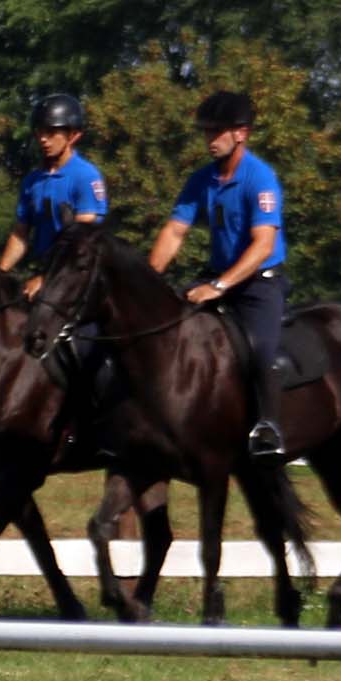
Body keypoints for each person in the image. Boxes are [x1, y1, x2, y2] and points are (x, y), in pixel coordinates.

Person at [147, 89, 290, 460]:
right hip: (217, 279)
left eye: (217, 132)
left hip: (259, 284)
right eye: (206, 132)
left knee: (260, 350)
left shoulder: (260, 178)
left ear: (240, 133)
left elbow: (262, 246)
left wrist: (219, 285)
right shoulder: (201, 180)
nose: (209, 140)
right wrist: (147, 280)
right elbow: (175, 231)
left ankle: (268, 426)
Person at [0, 92, 108, 295]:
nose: (43, 139)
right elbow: (20, 234)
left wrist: (46, 279)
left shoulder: (86, 176)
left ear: (73, 135)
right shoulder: (32, 181)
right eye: (40, 132)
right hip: (45, 270)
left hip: (79, 276)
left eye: (51, 132)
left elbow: (83, 240)